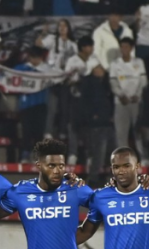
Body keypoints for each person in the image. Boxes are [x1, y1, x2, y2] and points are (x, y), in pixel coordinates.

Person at [63, 36, 101, 165]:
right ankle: (73, 154)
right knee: (73, 126)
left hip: (90, 98)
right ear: (83, 48)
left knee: (89, 127)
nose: (92, 49)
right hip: (75, 97)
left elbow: (100, 75)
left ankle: (89, 154)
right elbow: (66, 79)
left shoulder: (94, 60)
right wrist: (76, 78)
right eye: (90, 46)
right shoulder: (72, 61)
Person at [39, 20, 78, 140]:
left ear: (69, 28)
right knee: (52, 108)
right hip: (53, 79)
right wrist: (43, 33)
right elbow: (38, 44)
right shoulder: (52, 39)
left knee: (64, 108)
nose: (62, 27)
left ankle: (62, 131)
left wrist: (74, 78)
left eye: (64, 25)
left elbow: (77, 62)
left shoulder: (73, 44)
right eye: (59, 25)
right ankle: (48, 132)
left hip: (66, 80)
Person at [77, 65, 114, 186]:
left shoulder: (107, 82)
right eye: (96, 69)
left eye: (100, 68)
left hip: (108, 122)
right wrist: (92, 116)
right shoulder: (89, 83)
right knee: (99, 151)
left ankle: (107, 176)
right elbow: (85, 102)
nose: (98, 71)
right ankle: (94, 178)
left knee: (111, 150)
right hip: (96, 123)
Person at [109, 38, 147, 159]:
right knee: (121, 133)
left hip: (136, 102)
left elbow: (143, 81)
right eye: (122, 47)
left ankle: (144, 157)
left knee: (138, 131)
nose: (124, 49)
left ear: (131, 48)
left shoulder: (139, 62)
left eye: (126, 47)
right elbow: (113, 82)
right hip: (121, 103)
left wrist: (138, 95)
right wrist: (121, 95)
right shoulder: (115, 64)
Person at [15, 48, 52, 162]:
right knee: (26, 131)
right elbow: (9, 75)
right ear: (29, 57)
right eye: (33, 57)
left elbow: (57, 76)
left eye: (38, 57)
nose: (35, 60)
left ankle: (37, 155)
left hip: (41, 104)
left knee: (39, 131)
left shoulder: (46, 70)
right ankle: (25, 155)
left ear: (41, 58)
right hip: (26, 104)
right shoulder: (21, 69)